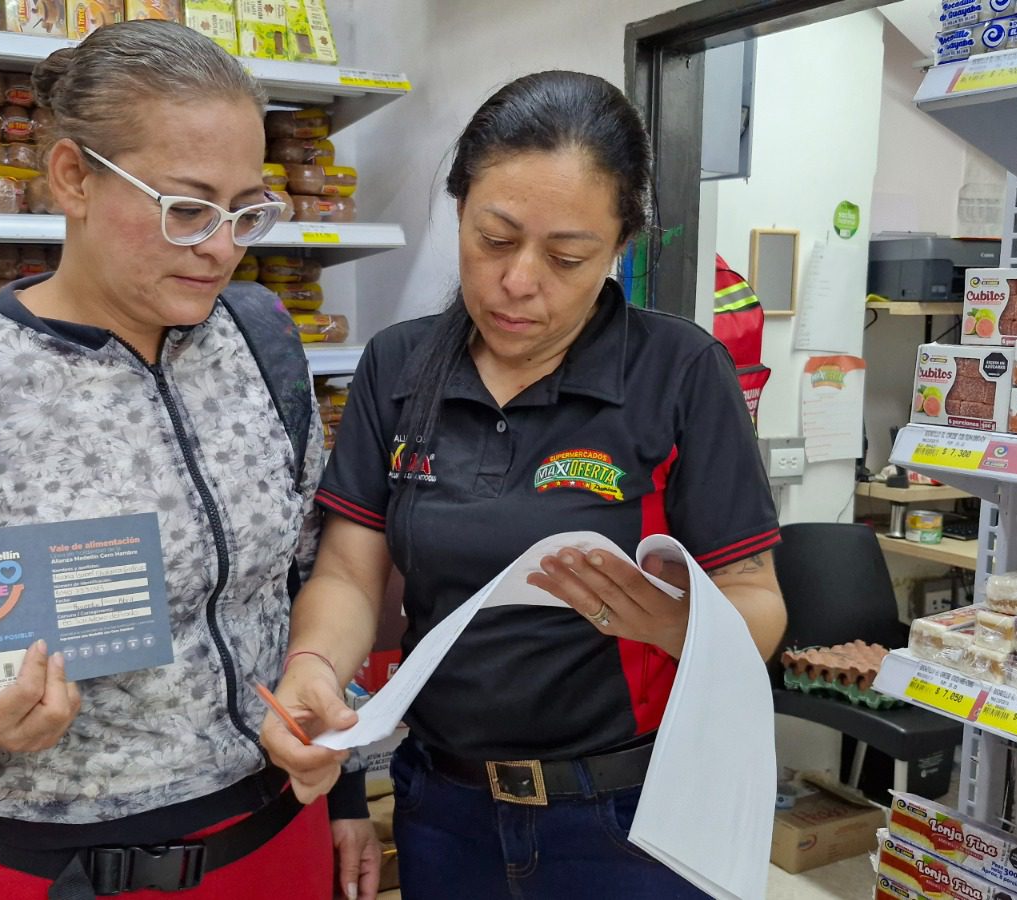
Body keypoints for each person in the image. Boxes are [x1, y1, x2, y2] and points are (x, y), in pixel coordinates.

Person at [0, 20, 380, 900]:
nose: (224, 247)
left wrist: (316, 682)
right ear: (71, 175)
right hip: (47, 868)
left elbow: (300, 569)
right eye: (187, 208)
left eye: (246, 210)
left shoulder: (262, 341)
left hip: (271, 838)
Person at [262, 71, 788, 900]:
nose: (518, 281)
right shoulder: (398, 366)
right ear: (459, 208)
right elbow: (347, 572)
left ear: (620, 247)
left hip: (629, 817)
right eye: (494, 239)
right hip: (444, 807)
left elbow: (756, 599)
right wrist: (316, 668)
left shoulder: (680, 371)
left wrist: (688, 626)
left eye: (567, 256)